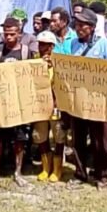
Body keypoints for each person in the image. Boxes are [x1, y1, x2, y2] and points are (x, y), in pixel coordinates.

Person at [67, 8, 107, 189]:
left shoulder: (105, 45)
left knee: (100, 140)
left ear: (92, 27)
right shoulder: (73, 44)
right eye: (77, 24)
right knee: (78, 138)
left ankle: (102, 175)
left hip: (98, 101)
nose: (79, 28)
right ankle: (80, 173)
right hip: (79, 100)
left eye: (83, 25)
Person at [0, 18, 32, 187]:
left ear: (19, 33)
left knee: (19, 140)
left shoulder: (26, 52)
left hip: (19, 104)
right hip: (0, 103)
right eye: (6, 34)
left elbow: (32, 76)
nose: (9, 37)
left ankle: (18, 172)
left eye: (12, 34)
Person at [31, 30, 66, 183]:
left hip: (56, 105)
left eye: (46, 45)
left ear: (52, 46)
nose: (42, 47)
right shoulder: (34, 61)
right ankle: (46, 167)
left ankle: (58, 169)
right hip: (39, 105)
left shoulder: (60, 62)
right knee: (41, 136)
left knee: (58, 136)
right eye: (40, 44)